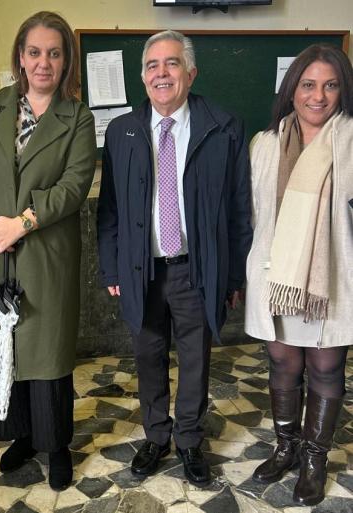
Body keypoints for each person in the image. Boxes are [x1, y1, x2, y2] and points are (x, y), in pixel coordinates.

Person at [97, 30, 252, 487]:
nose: (161, 73)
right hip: (141, 270)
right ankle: (156, 435)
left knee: (195, 360)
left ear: (191, 73)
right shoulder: (122, 131)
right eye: (152, 65)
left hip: (195, 269)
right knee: (147, 357)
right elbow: (110, 210)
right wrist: (111, 266)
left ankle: (188, 439)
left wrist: (234, 275)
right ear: (143, 76)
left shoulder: (223, 126)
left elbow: (239, 209)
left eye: (171, 63)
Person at [0, 11, 95, 491]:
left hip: (45, 251)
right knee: (4, 345)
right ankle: (23, 437)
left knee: (47, 352)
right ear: (20, 56)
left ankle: (56, 445)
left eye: (54, 53)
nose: (43, 63)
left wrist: (20, 224)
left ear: (66, 60)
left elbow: (74, 185)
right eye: (34, 52)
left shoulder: (77, 117)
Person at [245, 44, 353, 506]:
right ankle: (286, 447)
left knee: (326, 367)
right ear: (291, 90)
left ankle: (314, 459)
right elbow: (253, 214)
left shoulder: (350, 143)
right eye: (308, 85)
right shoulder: (265, 143)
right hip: (277, 278)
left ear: (343, 91)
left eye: (331, 85)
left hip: (331, 279)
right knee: (283, 365)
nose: (318, 96)